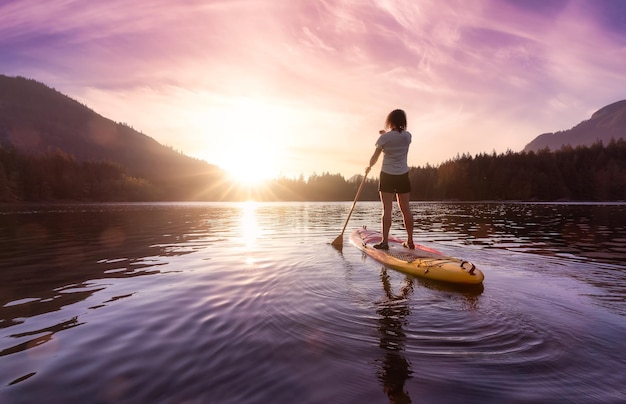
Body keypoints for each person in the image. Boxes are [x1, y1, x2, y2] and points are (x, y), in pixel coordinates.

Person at [366, 109, 414, 250]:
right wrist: (386, 135)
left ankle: (385, 242)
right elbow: (397, 137)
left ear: (390, 121)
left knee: (387, 209)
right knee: (406, 209)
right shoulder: (408, 136)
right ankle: (410, 241)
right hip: (403, 176)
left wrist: (369, 166)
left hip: (387, 175)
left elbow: (374, 157)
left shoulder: (384, 138)